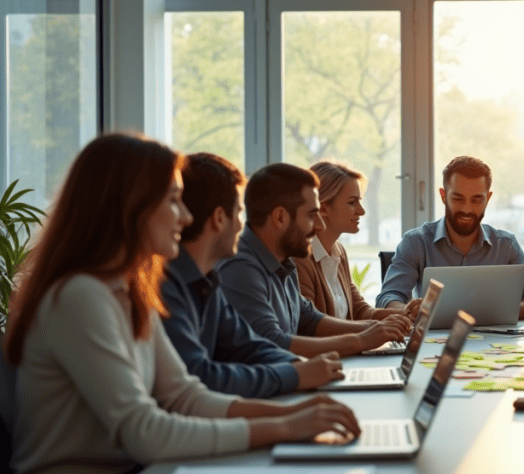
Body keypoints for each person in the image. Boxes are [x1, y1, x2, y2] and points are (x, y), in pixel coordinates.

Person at [4, 134, 360, 474]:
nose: (186, 216)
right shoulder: (79, 296)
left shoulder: (130, 291)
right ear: (131, 206)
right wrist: (284, 426)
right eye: (174, 201)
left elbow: (184, 396)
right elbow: (145, 431)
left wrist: (295, 413)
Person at [161, 153, 347, 398]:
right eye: (239, 213)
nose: (242, 225)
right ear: (219, 218)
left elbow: (248, 345)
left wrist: (299, 366)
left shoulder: (209, 281)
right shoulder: (169, 285)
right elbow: (200, 375)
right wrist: (296, 374)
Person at [219, 163, 409, 359]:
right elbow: (272, 343)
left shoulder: (284, 261)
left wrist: (377, 328)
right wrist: (361, 339)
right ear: (280, 217)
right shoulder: (240, 267)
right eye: (311, 215)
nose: (319, 225)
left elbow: (309, 318)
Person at [375, 156, 524, 318]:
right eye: (458, 199)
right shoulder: (415, 243)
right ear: (443, 196)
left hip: (496, 344)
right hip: (433, 343)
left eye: (477, 200)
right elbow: (389, 296)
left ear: (488, 198)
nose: (467, 209)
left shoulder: (506, 245)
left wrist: (505, 313)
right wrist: (408, 310)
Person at [295, 161, 409, 322]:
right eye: (352, 202)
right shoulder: (299, 258)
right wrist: (370, 333)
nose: (361, 211)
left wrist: (404, 314)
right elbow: (309, 327)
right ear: (324, 208)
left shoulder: (338, 251)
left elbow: (359, 309)